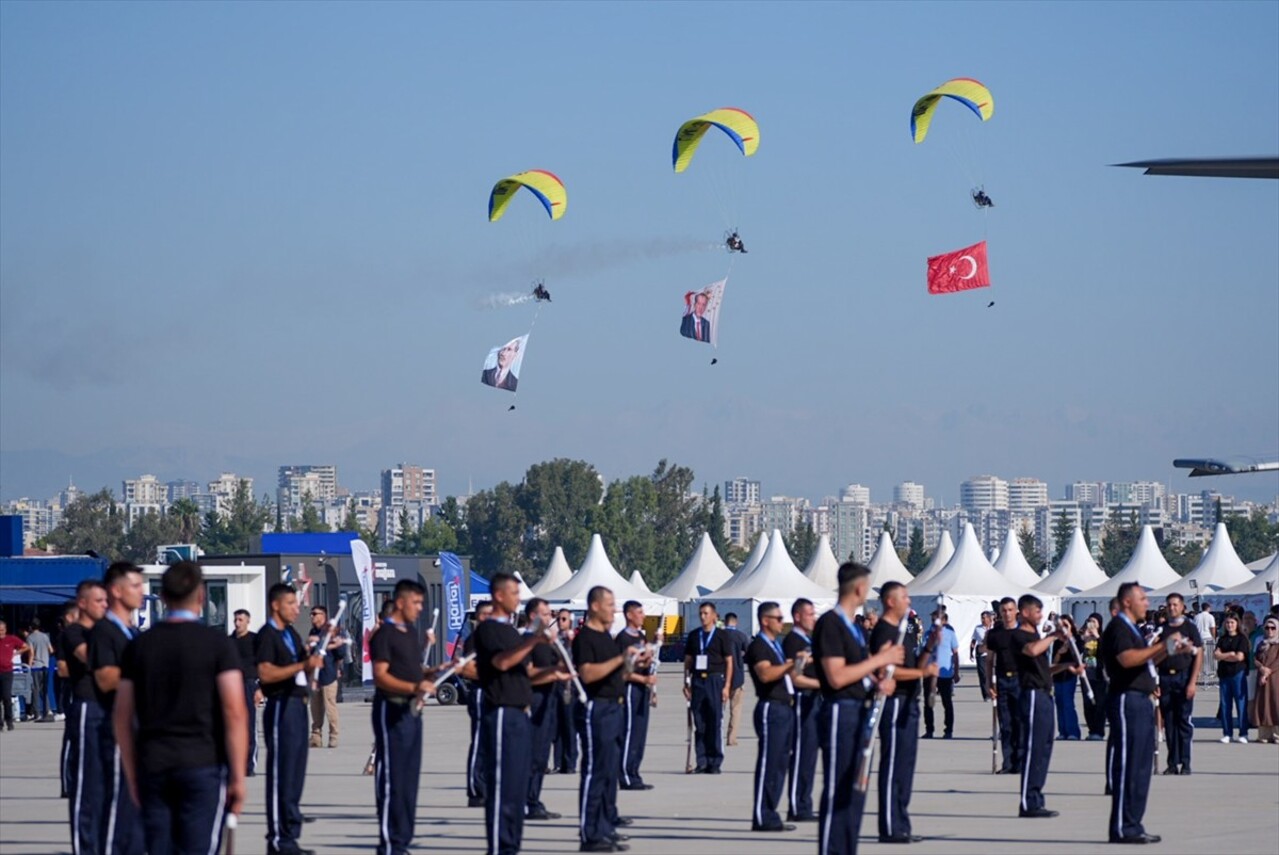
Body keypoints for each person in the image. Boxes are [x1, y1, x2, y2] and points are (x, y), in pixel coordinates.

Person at [113, 561, 248, 854]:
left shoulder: (140, 646)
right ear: (201, 596)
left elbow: (122, 715)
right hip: (203, 762)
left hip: (154, 763)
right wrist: (238, 774)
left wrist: (131, 770)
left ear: (162, 597)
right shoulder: (217, 645)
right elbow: (234, 711)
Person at [813, 562, 904, 855]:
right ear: (859, 587)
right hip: (841, 711)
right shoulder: (831, 624)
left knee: (856, 790)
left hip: (861, 711)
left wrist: (877, 681)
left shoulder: (853, 627)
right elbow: (837, 676)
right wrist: (879, 660)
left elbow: (857, 671)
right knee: (839, 787)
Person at [473, 573, 555, 855]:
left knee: (517, 786)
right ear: (498, 595)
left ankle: (512, 845)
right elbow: (503, 661)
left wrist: (553, 671)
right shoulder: (489, 630)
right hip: (501, 714)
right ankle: (499, 847)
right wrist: (533, 640)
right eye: (514, 594)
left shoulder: (511, 632)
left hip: (521, 714)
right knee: (502, 786)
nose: (518, 599)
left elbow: (525, 671)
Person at [1101, 581, 1176, 844]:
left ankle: (1133, 824)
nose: (1147, 603)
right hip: (1126, 699)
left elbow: (1143, 660)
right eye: (1142, 598)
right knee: (1129, 763)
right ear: (1127, 602)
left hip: (1141, 699)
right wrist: (1162, 644)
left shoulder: (1131, 628)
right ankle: (1123, 826)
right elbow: (1127, 659)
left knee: (1141, 765)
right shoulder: (1119, 628)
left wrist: (1168, 650)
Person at [573, 585, 645, 853]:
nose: (613, 610)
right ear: (594, 606)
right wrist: (620, 661)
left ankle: (605, 827)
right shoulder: (586, 638)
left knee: (608, 772)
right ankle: (589, 833)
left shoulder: (606, 637)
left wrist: (634, 663)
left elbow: (620, 673)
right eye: (609, 604)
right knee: (594, 773)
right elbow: (588, 674)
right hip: (597, 709)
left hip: (615, 708)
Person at [369, 578, 437, 855]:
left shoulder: (409, 632)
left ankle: (402, 841)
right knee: (393, 779)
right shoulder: (384, 634)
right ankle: (389, 843)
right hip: (392, 710)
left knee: (409, 780)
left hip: (412, 713)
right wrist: (414, 687)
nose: (420, 608)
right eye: (416, 602)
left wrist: (434, 672)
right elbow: (381, 676)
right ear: (400, 602)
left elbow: (412, 670)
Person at [257, 582, 324, 855]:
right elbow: (267, 673)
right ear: (276, 605)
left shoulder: (292, 634)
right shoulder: (267, 635)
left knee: (295, 773)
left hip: (298, 706)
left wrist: (312, 659)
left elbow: (303, 668)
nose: (297, 609)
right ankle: (277, 840)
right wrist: (301, 665)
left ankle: (290, 837)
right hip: (280, 707)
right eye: (291, 604)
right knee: (280, 774)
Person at [870, 583, 939, 844]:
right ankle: (889, 825)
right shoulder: (884, 632)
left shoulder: (904, 630)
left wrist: (930, 647)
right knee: (893, 764)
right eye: (904, 597)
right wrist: (923, 673)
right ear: (890, 601)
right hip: (895, 701)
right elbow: (887, 671)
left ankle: (900, 822)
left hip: (911, 700)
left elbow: (914, 663)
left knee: (906, 766)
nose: (908, 601)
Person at [88, 561, 146, 855]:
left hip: (138, 730)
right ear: (116, 590)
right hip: (113, 729)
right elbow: (106, 677)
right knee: (114, 808)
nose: (142, 592)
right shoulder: (105, 631)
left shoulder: (133, 634)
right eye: (135, 586)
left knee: (134, 811)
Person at [1011, 594, 1082, 818]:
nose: (1041, 616)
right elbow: (1031, 651)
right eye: (1037, 611)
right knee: (1033, 748)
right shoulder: (1019, 635)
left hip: (1044, 694)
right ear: (1024, 613)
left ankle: (1036, 798)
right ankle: (1027, 801)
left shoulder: (1036, 636)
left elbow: (1045, 669)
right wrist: (1053, 635)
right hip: (1031, 695)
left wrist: (1067, 665)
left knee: (1044, 748)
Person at [742, 601, 797, 833]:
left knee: (780, 763)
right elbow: (765, 674)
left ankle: (771, 813)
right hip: (770, 707)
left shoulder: (776, 645)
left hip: (785, 707)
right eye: (777, 618)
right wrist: (790, 665)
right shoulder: (759, 646)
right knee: (769, 762)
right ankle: (761, 814)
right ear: (765, 620)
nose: (781, 621)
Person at [62, 580, 108, 852]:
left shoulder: (108, 630)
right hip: (87, 705)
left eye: (106, 601)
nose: (104, 606)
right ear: (83, 603)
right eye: (98, 601)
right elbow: (89, 656)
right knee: (85, 782)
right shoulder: (74, 632)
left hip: (111, 708)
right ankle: (84, 846)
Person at [524, 598, 567, 819]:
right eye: (547, 614)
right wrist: (552, 674)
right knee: (532, 754)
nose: (551, 618)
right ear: (534, 616)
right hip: (534, 700)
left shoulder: (548, 642)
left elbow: (559, 665)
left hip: (549, 700)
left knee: (542, 755)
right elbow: (527, 672)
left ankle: (534, 799)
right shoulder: (527, 641)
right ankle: (525, 800)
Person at [683, 602, 734, 774]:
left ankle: (715, 761)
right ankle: (702, 761)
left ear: (714, 616)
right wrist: (686, 683)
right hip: (698, 681)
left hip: (715, 680)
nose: (703, 617)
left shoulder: (721, 636)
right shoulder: (694, 636)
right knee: (700, 722)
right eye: (701, 614)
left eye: (706, 613)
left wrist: (726, 686)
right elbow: (688, 661)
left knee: (714, 721)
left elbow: (729, 662)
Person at [782, 598, 821, 823]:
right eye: (809, 614)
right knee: (801, 754)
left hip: (814, 700)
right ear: (797, 616)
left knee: (809, 755)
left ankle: (804, 802)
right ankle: (797, 805)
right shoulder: (793, 641)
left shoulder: (809, 640)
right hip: (801, 700)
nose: (813, 618)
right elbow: (794, 676)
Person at [1157, 593, 1203, 775]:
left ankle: (1185, 762)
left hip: (1183, 678)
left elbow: (1198, 654)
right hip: (1165, 678)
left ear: (1183, 607)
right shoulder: (1162, 629)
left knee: (1183, 721)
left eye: (1175, 605)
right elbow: (1156, 655)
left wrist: (1193, 682)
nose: (1172, 608)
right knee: (1169, 722)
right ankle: (1172, 763)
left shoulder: (1190, 628)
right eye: (1169, 605)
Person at [616, 601, 656, 791]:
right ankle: (624, 773)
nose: (643, 616)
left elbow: (643, 662)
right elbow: (623, 670)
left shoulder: (641, 636)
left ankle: (634, 772)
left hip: (643, 688)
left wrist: (651, 653)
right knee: (630, 732)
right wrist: (643, 679)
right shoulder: (623, 639)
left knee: (640, 733)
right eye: (639, 612)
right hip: (630, 688)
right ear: (629, 615)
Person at [459, 600, 493, 806]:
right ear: (477, 617)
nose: (488, 618)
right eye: (484, 615)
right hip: (480, 691)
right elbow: (467, 668)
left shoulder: (495, 638)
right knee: (480, 740)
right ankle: (476, 789)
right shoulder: (475, 639)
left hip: (495, 693)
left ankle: (488, 784)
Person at [985, 597, 1023, 774]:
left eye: (1010, 610)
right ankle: (1007, 762)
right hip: (1002, 680)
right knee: (1005, 724)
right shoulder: (995, 634)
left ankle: (1020, 761)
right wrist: (988, 683)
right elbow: (990, 660)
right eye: (1004, 611)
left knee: (1020, 722)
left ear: (1016, 611)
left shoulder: (1024, 632)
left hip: (1020, 680)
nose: (1007, 614)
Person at [231, 609, 262, 776]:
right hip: (232, 686)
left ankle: (249, 765)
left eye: (240, 620)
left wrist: (261, 688)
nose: (237, 623)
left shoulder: (254, 640)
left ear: (247, 621)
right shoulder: (229, 641)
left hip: (250, 684)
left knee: (249, 726)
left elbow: (264, 665)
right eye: (235, 620)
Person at [307, 605, 342, 749]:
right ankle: (316, 736)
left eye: (315, 614)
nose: (312, 616)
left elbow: (340, 653)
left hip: (328, 675)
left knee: (330, 707)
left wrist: (338, 669)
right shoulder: (313, 632)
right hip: (315, 675)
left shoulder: (331, 631)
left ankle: (333, 736)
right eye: (311, 614)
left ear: (323, 616)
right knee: (315, 709)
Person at [922, 609, 959, 739]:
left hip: (945, 673)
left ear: (944, 621)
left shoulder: (950, 634)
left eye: (936, 620)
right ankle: (929, 729)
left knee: (947, 702)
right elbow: (923, 652)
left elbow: (955, 653)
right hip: (930, 673)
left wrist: (956, 671)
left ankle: (948, 730)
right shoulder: (927, 634)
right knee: (928, 702)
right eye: (932, 620)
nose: (934, 622)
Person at [1214, 613, 1250, 743]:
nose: (1230, 625)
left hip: (1238, 674)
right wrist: (1229, 654)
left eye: (1232, 623)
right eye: (1228, 623)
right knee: (1225, 705)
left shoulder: (1242, 639)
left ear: (1237, 624)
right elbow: (1216, 655)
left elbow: (1240, 657)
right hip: (1224, 674)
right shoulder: (1222, 639)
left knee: (1241, 704)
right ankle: (1227, 733)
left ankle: (1243, 732)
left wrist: (1224, 655)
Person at [552, 608, 579, 774]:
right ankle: (558, 762)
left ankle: (569, 762)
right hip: (555, 684)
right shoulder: (554, 640)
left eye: (564, 619)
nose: (561, 622)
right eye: (559, 619)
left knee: (569, 725)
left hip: (570, 686)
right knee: (556, 726)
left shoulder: (575, 641)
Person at [1051, 615, 1084, 740]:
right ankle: (1063, 731)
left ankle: (1073, 731)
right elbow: (1054, 661)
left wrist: (1069, 644)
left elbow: (1078, 657)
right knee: (1059, 703)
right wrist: (1060, 652)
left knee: (1067, 703)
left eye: (1066, 625)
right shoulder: (1057, 642)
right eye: (1061, 626)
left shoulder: (1076, 640)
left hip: (1070, 674)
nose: (1063, 628)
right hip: (1058, 675)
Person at [723, 612, 750, 746]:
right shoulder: (741, 636)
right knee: (736, 709)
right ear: (736, 622)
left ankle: (716, 735)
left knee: (719, 709)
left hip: (721, 676)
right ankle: (731, 738)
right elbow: (749, 653)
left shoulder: (719, 635)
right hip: (738, 676)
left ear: (724, 621)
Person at [1251, 616, 1279, 743]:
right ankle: (1264, 734)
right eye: (1267, 628)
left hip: (1275, 678)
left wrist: (1267, 672)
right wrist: (1261, 668)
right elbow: (1255, 658)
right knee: (1263, 704)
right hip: (1262, 678)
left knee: (1275, 703)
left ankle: (1276, 734)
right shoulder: (1262, 643)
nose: (1270, 631)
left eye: (1273, 628)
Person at [1080, 613, 1107, 740]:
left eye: (1094, 621)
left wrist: (1097, 636)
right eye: (1089, 621)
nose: (1091, 624)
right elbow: (1077, 650)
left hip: (1100, 674)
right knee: (1088, 704)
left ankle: (1099, 731)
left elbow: (1107, 651)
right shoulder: (1085, 636)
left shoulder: (1103, 637)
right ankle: (1092, 730)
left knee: (1100, 703)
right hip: (1087, 675)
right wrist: (1084, 639)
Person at [0, 619, 31, 731]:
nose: (1, 633)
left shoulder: (11, 639)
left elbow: (26, 646)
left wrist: (16, 653)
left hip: (7, 672)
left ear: (5, 630)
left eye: (2, 630)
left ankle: (9, 721)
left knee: (7, 697)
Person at [26, 619, 53, 722]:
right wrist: (45, 657)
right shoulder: (45, 636)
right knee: (44, 690)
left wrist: (28, 666)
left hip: (36, 666)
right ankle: (48, 710)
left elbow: (31, 653)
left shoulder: (30, 637)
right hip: (45, 666)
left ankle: (36, 713)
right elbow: (51, 650)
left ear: (31, 627)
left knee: (35, 690)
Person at [972, 611, 994, 702]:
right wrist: (971, 652)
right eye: (982, 618)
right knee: (983, 675)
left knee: (992, 675)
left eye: (984, 618)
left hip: (992, 653)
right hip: (981, 653)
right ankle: (986, 695)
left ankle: (993, 692)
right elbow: (974, 641)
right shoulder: (978, 628)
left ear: (989, 618)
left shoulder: (994, 628)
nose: (983, 620)